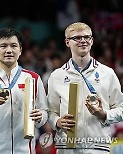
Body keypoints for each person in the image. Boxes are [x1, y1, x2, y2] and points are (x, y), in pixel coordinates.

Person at [0, 28, 48, 154]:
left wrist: (41, 117)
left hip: (26, 151)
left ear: (20, 50)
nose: (9, 50)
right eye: (3, 46)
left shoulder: (33, 78)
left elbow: (44, 112)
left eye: (14, 46)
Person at [47, 22, 123, 154]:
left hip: (98, 147)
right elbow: (49, 111)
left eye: (87, 37)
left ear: (92, 41)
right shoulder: (57, 76)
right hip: (67, 147)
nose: (83, 40)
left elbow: (121, 108)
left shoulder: (108, 73)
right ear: (67, 42)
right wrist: (58, 122)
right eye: (77, 38)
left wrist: (105, 114)